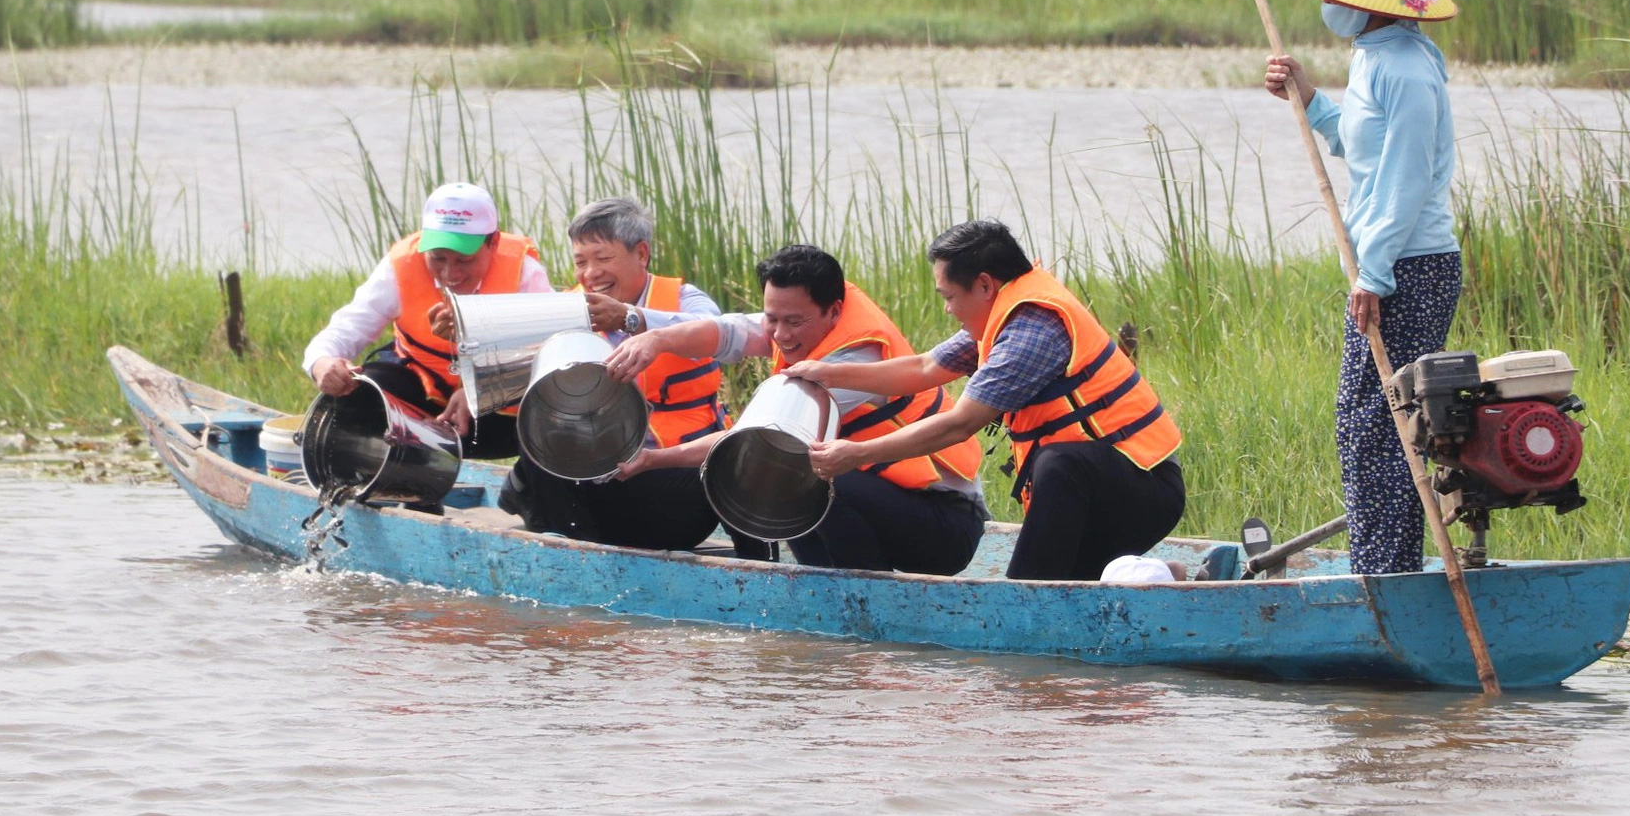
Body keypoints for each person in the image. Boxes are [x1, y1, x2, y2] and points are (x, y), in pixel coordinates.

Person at [791, 220, 1183, 582]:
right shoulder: (1001, 311)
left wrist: (856, 454)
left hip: (1140, 490)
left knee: (1060, 466)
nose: (947, 308)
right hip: (1101, 493)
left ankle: (1023, 595)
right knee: (1080, 575)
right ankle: (1167, 577)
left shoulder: (1032, 330)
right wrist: (828, 372)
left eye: (948, 296)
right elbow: (926, 367)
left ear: (984, 284)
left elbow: (959, 424)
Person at [1264, 0, 1461, 575]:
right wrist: (1307, 95)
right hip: (1393, 261)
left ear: (1365, 2)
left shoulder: (1403, 67)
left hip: (1409, 265)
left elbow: (1403, 181)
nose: (1325, 5)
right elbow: (1361, 143)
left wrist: (1373, 275)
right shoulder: (1376, 56)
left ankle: (1383, 574)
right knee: (1375, 422)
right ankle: (1387, 564)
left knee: (1377, 425)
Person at [604, 245, 986, 576]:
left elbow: (754, 435)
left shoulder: (856, 357)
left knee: (798, 471)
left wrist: (655, 460)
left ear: (834, 312)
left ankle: (863, 595)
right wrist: (655, 337)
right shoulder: (796, 321)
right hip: (886, 503)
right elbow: (724, 332)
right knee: (796, 474)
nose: (781, 334)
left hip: (943, 525)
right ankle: (811, 583)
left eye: (793, 322)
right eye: (772, 318)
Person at [503, 198, 764, 555]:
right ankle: (574, 548)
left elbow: (712, 332)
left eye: (603, 258)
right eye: (581, 262)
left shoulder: (686, 300)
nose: (590, 273)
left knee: (738, 461)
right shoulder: (563, 309)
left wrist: (632, 318)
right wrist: (460, 336)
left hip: (673, 480)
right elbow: (506, 355)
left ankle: (762, 570)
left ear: (641, 254)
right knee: (538, 428)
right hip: (595, 485)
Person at [301, 181, 550, 458]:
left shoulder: (524, 274)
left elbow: (550, 351)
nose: (450, 274)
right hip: (420, 387)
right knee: (360, 391)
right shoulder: (401, 266)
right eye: (438, 258)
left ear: (493, 243)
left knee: (553, 414)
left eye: (464, 260)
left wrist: (482, 390)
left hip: (497, 411)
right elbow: (346, 327)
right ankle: (393, 482)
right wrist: (322, 363)